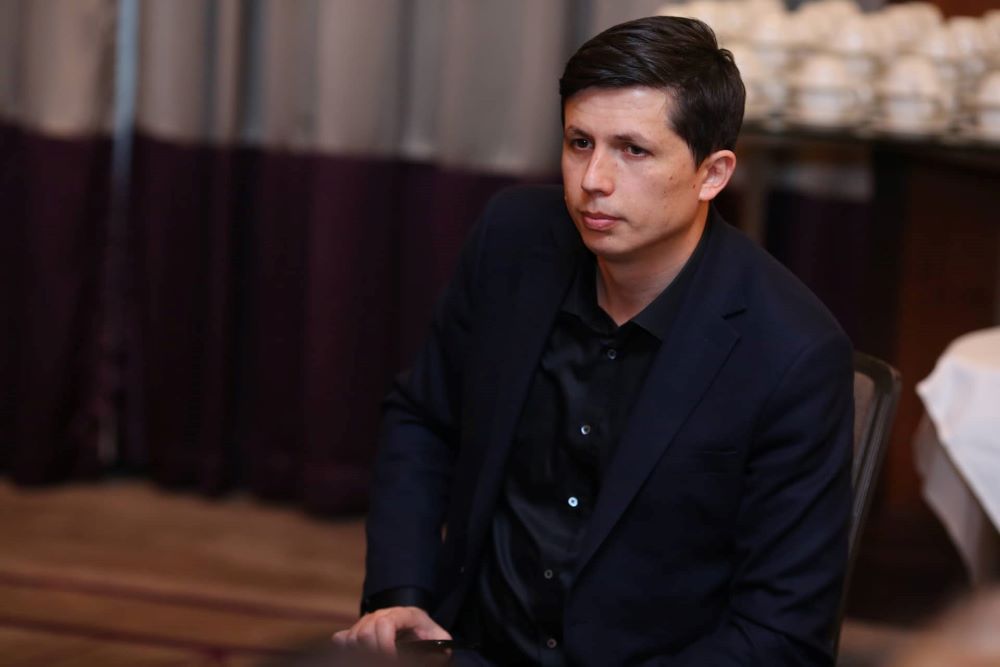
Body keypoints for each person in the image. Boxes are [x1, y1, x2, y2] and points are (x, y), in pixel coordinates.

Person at [334, 15, 853, 666]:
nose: (593, 180)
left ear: (713, 173)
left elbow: (781, 634)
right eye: (580, 142)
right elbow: (422, 418)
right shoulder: (512, 240)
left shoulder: (792, 351)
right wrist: (400, 596)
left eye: (633, 150)